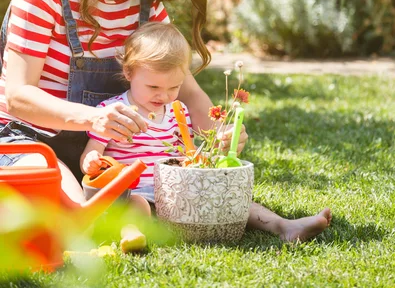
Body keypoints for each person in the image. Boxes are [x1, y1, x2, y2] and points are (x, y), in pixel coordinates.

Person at [0, 0, 246, 205]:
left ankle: (281, 226)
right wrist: (92, 118)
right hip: (27, 139)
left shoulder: (147, 8)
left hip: (100, 152)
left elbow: (185, 90)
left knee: (189, 196)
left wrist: (220, 131)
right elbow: (17, 95)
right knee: (66, 204)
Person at [81, 22, 332, 243]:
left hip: (177, 196)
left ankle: (284, 226)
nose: (164, 96)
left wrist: (223, 140)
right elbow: (91, 155)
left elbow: (196, 150)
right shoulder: (114, 111)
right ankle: (131, 234)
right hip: (134, 194)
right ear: (128, 72)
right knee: (134, 206)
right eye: (154, 86)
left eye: (174, 87)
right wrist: (92, 162)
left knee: (227, 198)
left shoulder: (178, 112)